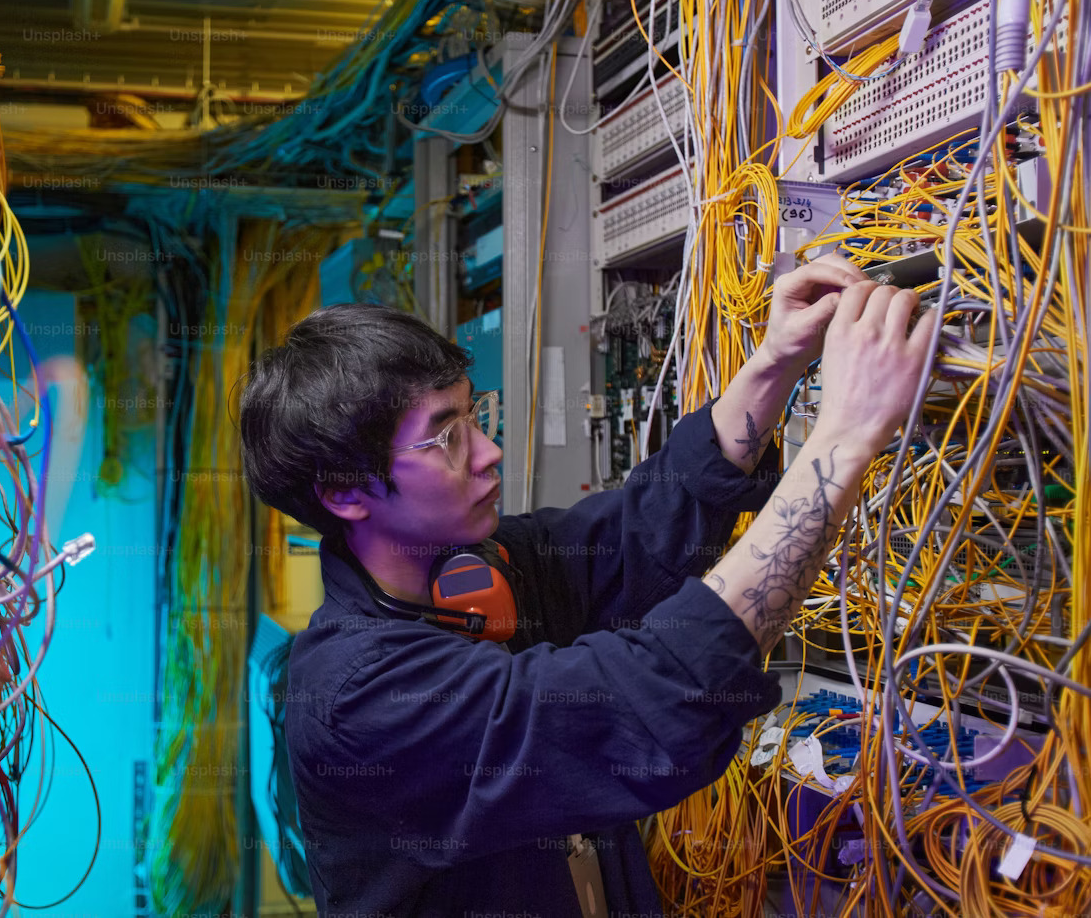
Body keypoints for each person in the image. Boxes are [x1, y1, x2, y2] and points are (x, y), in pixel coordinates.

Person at [238, 255, 935, 917]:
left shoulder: (478, 569)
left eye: (475, 416)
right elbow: (639, 699)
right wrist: (845, 437)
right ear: (345, 494)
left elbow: (637, 534)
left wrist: (776, 362)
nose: (489, 453)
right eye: (446, 438)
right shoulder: (362, 700)